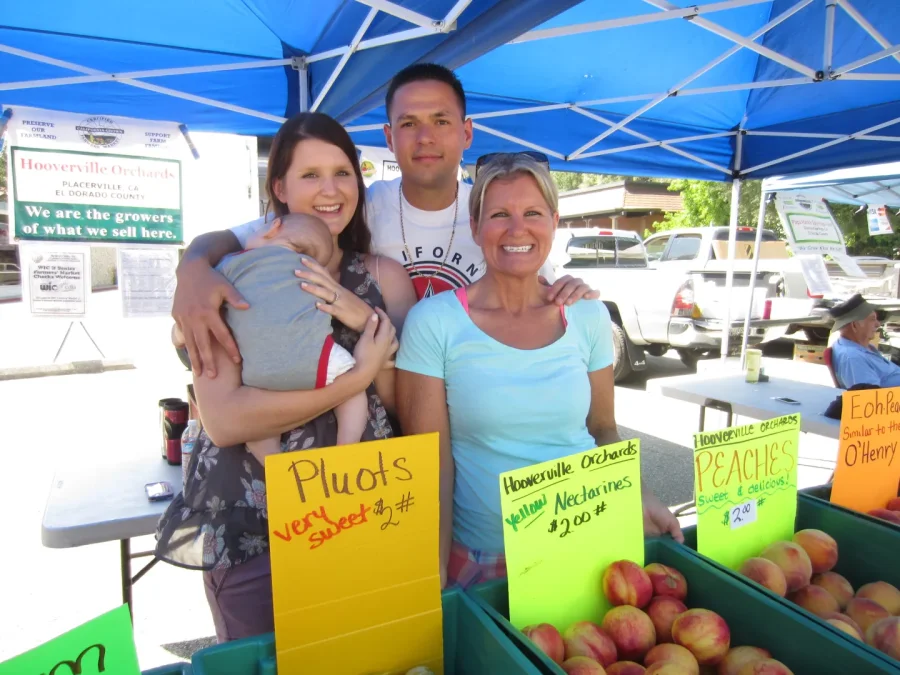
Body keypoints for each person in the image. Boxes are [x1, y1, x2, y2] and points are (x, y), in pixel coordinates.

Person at [155, 111, 415, 643]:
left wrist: (359, 317)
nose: (330, 190)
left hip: (358, 510)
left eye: (343, 173)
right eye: (310, 175)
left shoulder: (384, 277)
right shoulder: (232, 276)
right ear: (279, 188)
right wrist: (353, 378)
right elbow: (226, 421)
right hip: (254, 523)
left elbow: (404, 407)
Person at [170, 63, 597, 378]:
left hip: (476, 403)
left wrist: (573, 290)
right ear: (389, 137)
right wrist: (192, 269)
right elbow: (229, 238)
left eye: (441, 121)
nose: (425, 137)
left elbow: (545, 292)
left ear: (466, 133)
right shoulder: (352, 207)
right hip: (390, 412)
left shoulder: (495, 216)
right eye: (409, 123)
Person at [395, 153, 683, 589]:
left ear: (554, 221)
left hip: (585, 547)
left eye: (532, 213)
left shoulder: (587, 314)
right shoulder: (434, 322)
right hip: (483, 560)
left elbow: (603, 430)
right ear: (475, 227)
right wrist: (433, 567)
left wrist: (638, 494)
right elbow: (431, 462)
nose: (517, 229)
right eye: (498, 214)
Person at [215, 213, 369, 462]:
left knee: (257, 425)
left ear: (273, 227)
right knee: (353, 392)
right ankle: (347, 446)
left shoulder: (230, 264)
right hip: (317, 360)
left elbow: (211, 297)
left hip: (257, 371)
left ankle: (274, 464)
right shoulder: (311, 270)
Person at [829, 294, 899, 389]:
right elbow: (871, 398)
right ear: (854, 325)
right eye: (872, 319)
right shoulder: (853, 358)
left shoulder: (861, 346)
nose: (878, 324)